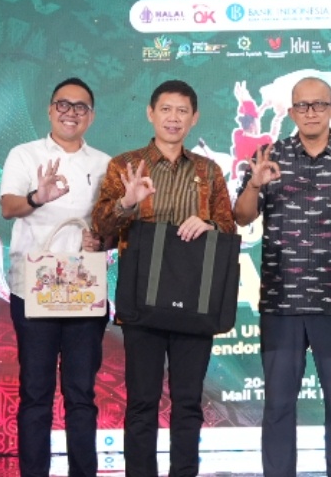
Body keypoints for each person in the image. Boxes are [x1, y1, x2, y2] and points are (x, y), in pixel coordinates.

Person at [92, 79, 236, 477]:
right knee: (142, 401)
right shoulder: (125, 165)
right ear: (151, 113)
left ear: (194, 118)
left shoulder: (208, 170)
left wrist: (208, 223)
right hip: (142, 298)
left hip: (196, 299)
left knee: (188, 402)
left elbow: (229, 226)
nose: (174, 118)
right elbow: (101, 229)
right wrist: (127, 202)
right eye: (166, 109)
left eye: (182, 111)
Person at [234, 77, 331, 477]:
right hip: (282, 302)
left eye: (319, 105)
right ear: (291, 111)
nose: (310, 112)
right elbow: (241, 216)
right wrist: (255, 185)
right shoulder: (269, 156)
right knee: (278, 406)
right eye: (302, 105)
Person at [0, 77, 111, 477]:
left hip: (84, 290)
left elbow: (111, 225)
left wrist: (101, 239)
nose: (71, 113)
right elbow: (8, 207)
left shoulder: (104, 164)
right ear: (50, 110)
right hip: (33, 290)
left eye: (80, 107)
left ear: (91, 117)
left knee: (81, 395)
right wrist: (38, 197)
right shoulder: (24, 155)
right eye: (63, 104)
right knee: (36, 393)